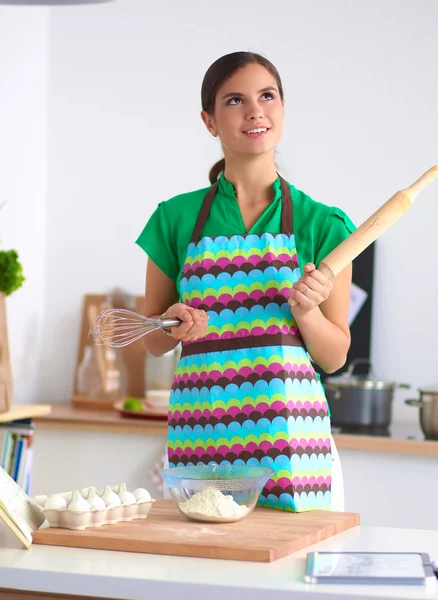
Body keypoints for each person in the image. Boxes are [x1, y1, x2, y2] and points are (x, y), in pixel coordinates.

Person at [136, 51, 354, 512]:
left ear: (282, 108)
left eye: (267, 96)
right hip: (204, 444)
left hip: (294, 449)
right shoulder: (174, 218)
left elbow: (334, 358)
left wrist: (307, 312)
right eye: (235, 100)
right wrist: (169, 322)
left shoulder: (324, 224)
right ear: (209, 121)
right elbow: (151, 341)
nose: (255, 110)